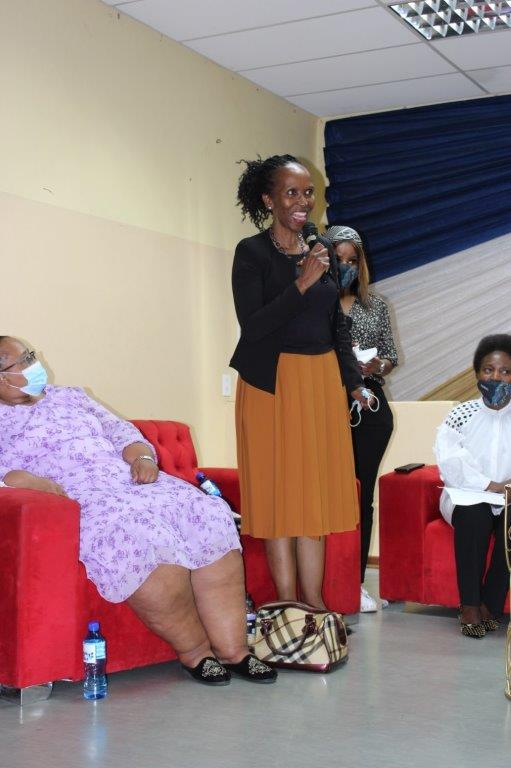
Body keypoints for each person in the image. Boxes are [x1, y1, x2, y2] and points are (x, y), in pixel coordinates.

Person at [0, 335, 276, 684]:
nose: (33, 364)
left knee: (209, 515)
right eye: (22, 361)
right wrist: (15, 478)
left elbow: (120, 431)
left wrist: (143, 457)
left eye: (30, 355)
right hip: (81, 498)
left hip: (130, 480)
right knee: (143, 538)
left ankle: (234, 651)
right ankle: (196, 653)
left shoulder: (70, 396)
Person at [230, 154, 372, 611]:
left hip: (320, 381)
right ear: (268, 199)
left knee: (313, 499)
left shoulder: (320, 249)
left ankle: (315, 607)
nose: (303, 202)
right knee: (279, 499)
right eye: (291, 192)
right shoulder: (251, 253)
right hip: (272, 383)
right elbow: (253, 326)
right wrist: (301, 285)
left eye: (308, 192)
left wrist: (351, 381)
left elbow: (336, 325)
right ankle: (288, 607)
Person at [326, 225, 398, 613]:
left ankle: (354, 583)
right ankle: (323, 580)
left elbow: (390, 356)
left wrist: (376, 365)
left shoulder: (376, 305)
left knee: (360, 495)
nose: (346, 266)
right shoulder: (313, 302)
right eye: (339, 259)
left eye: (353, 260)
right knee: (327, 494)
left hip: (369, 406)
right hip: (324, 403)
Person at [434, 334, 511, 638]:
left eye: (505, 371)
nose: (496, 378)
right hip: (465, 494)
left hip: (509, 498)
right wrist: (490, 485)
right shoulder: (461, 414)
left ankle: (490, 604)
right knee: (474, 513)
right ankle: (469, 604)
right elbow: (450, 461)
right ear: (477, 373)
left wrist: (506, 489)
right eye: (489, 370)